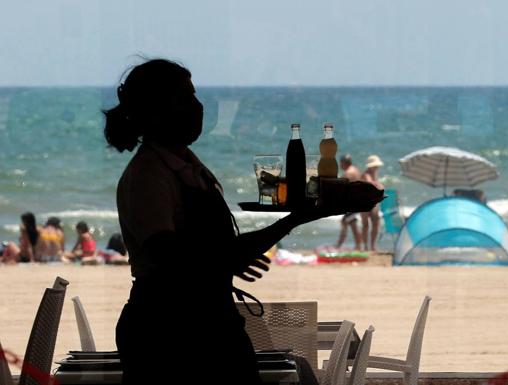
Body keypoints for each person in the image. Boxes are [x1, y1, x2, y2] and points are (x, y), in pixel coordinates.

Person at [104, 59, 344, 384]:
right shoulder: (149, 175)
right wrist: (291, 221)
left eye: (195, 96)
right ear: (157, 110)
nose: (198, 107)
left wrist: (228, 257)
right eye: (185, 98)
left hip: (207, 324)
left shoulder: (184, 163)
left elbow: (201, 255)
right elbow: (173, 261)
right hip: (170, 334)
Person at [335, 154, 362, 250]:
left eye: (340, 163)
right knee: (351, 222)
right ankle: (357, 246)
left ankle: (339, 245)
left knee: (347, 222)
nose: (340, 165)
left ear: (343, 163)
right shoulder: (355, 170)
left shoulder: (348, 173)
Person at [361, 155, 384, 251]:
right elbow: (371, 184)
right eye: (376, 166)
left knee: (375, 223)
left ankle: (372, 246)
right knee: (366, 225)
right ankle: (367, 246)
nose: (377, 167)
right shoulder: (366, 174)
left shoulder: (373, 174)